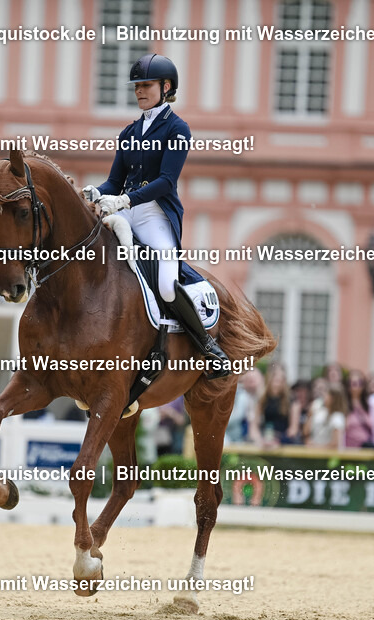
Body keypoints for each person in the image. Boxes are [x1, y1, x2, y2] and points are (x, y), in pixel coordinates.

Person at [85, 53, 229, 379]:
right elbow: (113, 181)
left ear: (166, 87)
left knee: (165, 285)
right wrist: (95, 192)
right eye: (137, 86)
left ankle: (208, 346)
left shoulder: (177, 129)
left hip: (154, 216)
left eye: (146, 85)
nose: (139, 91)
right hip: (125, 208)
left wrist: (124, 200)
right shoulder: (129, 132)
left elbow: (166, 182)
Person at [252, 364, 295, 447]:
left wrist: (279, 440)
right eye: (276, 381)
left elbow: (293, 430)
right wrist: (259, 440)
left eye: (281, 381)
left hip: (283, 443)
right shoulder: (262, 400)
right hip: (265, 440)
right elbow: (254, 427)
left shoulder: (292, 401)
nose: (277, 384)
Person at [305, 382, 347, 450]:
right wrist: (310, 414)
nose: (324, 396)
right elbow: (306, 432)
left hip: (331, 458)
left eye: (327, 394)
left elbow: (335, 444)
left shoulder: (338, 417)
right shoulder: (322, 412)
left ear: (333, 398)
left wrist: (315, 446)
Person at [226, 368, 263, 444]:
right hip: (238, 440)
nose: (252, 384)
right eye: (249, 380)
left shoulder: (266, 399)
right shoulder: (242, 397)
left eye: (254, 380)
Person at [344, 369, 374, 449]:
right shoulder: (344, 404)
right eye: (354, 383)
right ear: (348, 385)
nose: (357, 386)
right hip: (349, 450)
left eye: (360, 383)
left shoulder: (370, 404)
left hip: (366, 449)